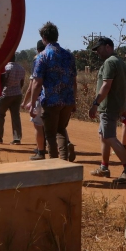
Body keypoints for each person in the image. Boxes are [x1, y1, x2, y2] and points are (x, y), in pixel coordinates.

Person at [29, 22, 77, 161]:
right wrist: (73, 101)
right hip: (67, 100)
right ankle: (63, 161)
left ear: (44, 37)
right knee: (61, 130)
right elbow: (74, 81)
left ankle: (55, 164)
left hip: (51, 101)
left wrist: (32, 104)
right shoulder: (69, 56)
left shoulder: (42, 56)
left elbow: (37, 83)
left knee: (50, 134)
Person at [88, 37, 126, 184]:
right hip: (116, 105)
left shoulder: (109, 62)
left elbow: (106, 85)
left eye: (99, 49)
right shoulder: (121, 62)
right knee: (103, 136)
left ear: (108, 47)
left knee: (110, 137)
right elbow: (122, 87)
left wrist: (96, 103)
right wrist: (123, 107)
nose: (97, 52)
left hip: (108, 106)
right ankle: (104, 167)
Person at [23, 40, 48, 160]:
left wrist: (29, 102)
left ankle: (40, 151)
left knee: (38, 125)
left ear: (38, 49)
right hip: (54, 97)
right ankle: (66, 144)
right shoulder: (55, 57)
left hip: (40, 97)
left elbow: (34, 83)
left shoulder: (37, 59)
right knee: (52, 125)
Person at [0, 60, 25, 145]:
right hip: (17, 94)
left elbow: (3, 81)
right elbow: (22, 82)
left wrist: (0, 92)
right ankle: (17, 138)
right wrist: (18, 90)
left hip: (6, 94)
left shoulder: (7, 68)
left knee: (0, 115)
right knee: (15, 116)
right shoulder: (21, 68)